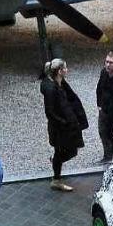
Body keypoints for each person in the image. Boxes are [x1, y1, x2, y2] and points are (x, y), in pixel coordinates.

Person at [41, 58, 88, 192]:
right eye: (65, 68)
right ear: (60, 71)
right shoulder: (51, 89)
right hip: (60, 129)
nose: (67, 70)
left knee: (67, 151)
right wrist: (64, 123)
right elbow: (50, 112)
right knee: (66, 151)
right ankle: (56, 178)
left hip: (66, 126)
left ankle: (56, 165)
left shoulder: (60, 83)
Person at [95, 51, 113, 162]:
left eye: (111, 62)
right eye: (106, 62)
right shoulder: (103, 72)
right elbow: (99, 89)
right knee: (103, 132)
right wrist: (99, 104)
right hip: (104, 110)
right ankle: (107, 156)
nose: (108, 65)